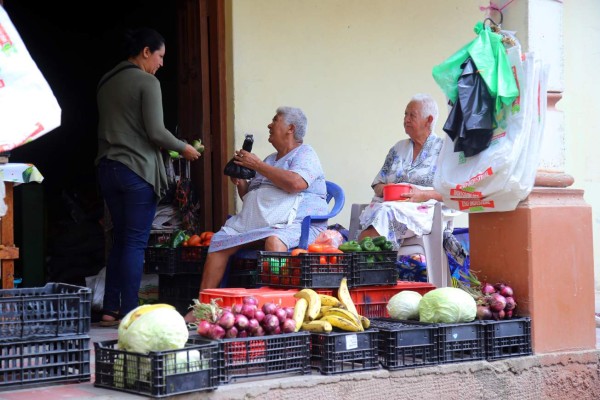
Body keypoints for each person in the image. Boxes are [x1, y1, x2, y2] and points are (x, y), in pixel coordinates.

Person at [96, 28, 202, 326]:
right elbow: (156, 132)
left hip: (108, 168)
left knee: (119, 241)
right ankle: (131, 312)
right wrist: (184, 149)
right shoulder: (147, 81)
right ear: (146, 52)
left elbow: (128, 128)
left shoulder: (106, 81)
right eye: (160, 56)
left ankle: (109, 309)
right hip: (136, 172)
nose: (161, 64)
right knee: (134, 243)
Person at [185, 106, 328, 322]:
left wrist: (257, 165)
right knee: (220, 242)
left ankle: (277, 308)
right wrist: (241, 182)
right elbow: (254, 201)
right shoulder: (271, 159)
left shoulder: (305, 153)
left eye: (275, 120)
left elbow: (296, 183)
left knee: (274, 241)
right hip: (262, 224)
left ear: (290, 128)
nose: (269, 125)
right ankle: (203, 308)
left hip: (297, 224)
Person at [357, 93, 446, 249]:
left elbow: (455, 192)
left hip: (424, 211)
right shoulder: (398, 148)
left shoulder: (444, 150)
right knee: (381, 212)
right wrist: (387, 189)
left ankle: (360, 264)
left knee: (383, 214)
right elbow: (378, 183)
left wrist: (425, 194)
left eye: (412, 115)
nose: (406, 120)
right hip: (389, 206)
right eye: (405, 114)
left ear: (429, 120)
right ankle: (369, 264)